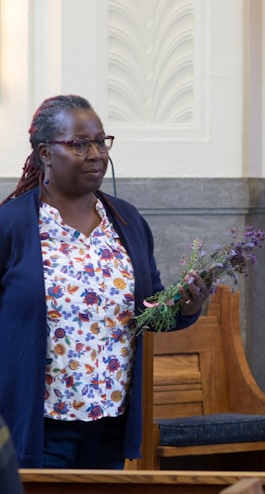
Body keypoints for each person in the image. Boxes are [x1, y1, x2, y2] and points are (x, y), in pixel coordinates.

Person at [0, 94, 208, 469]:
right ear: (45, 153)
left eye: (100, 141)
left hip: (111, 419)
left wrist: (187, 305)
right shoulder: (12, 225)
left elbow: (148, 308)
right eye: (79, 144)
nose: (96, 153)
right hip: (38, 424)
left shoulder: (126, 221)